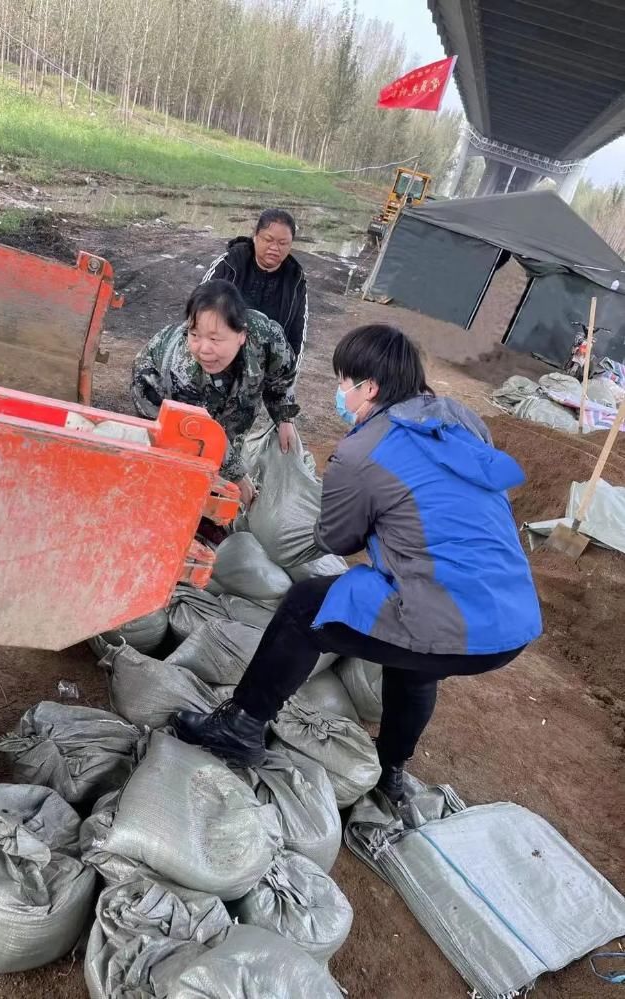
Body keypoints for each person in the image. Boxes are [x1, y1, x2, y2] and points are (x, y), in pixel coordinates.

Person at [173, 323, 543, 802]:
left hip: (448, 611)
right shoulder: (462, 419)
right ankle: (391, 771)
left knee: (306, 605)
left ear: (369, 387)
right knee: (415, 660)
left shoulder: (361, 449)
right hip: (507, 623)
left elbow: (338, 539)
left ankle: (241, 726)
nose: (339, 392)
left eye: (343, 381)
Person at [131, 279, 299, 509]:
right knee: (179, 460)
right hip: (156, 391)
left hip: (219, 394)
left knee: (233, 425)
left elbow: (282, 377)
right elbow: (200, 431)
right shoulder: (182, 371)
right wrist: (239, 476)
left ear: (241, 335)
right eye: (194, 335)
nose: (203, 348)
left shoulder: (267, 336)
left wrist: (284, 418)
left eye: (214, 339)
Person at [202, 208, 308, 373]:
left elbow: (297, 335)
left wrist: (288, 376)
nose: (275, 248)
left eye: (283, 243)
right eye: (268, 239)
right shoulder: (230, 264)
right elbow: (198, 311)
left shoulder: (295, 281)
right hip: (219, 362)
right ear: (255, 237)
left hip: (264, 371)